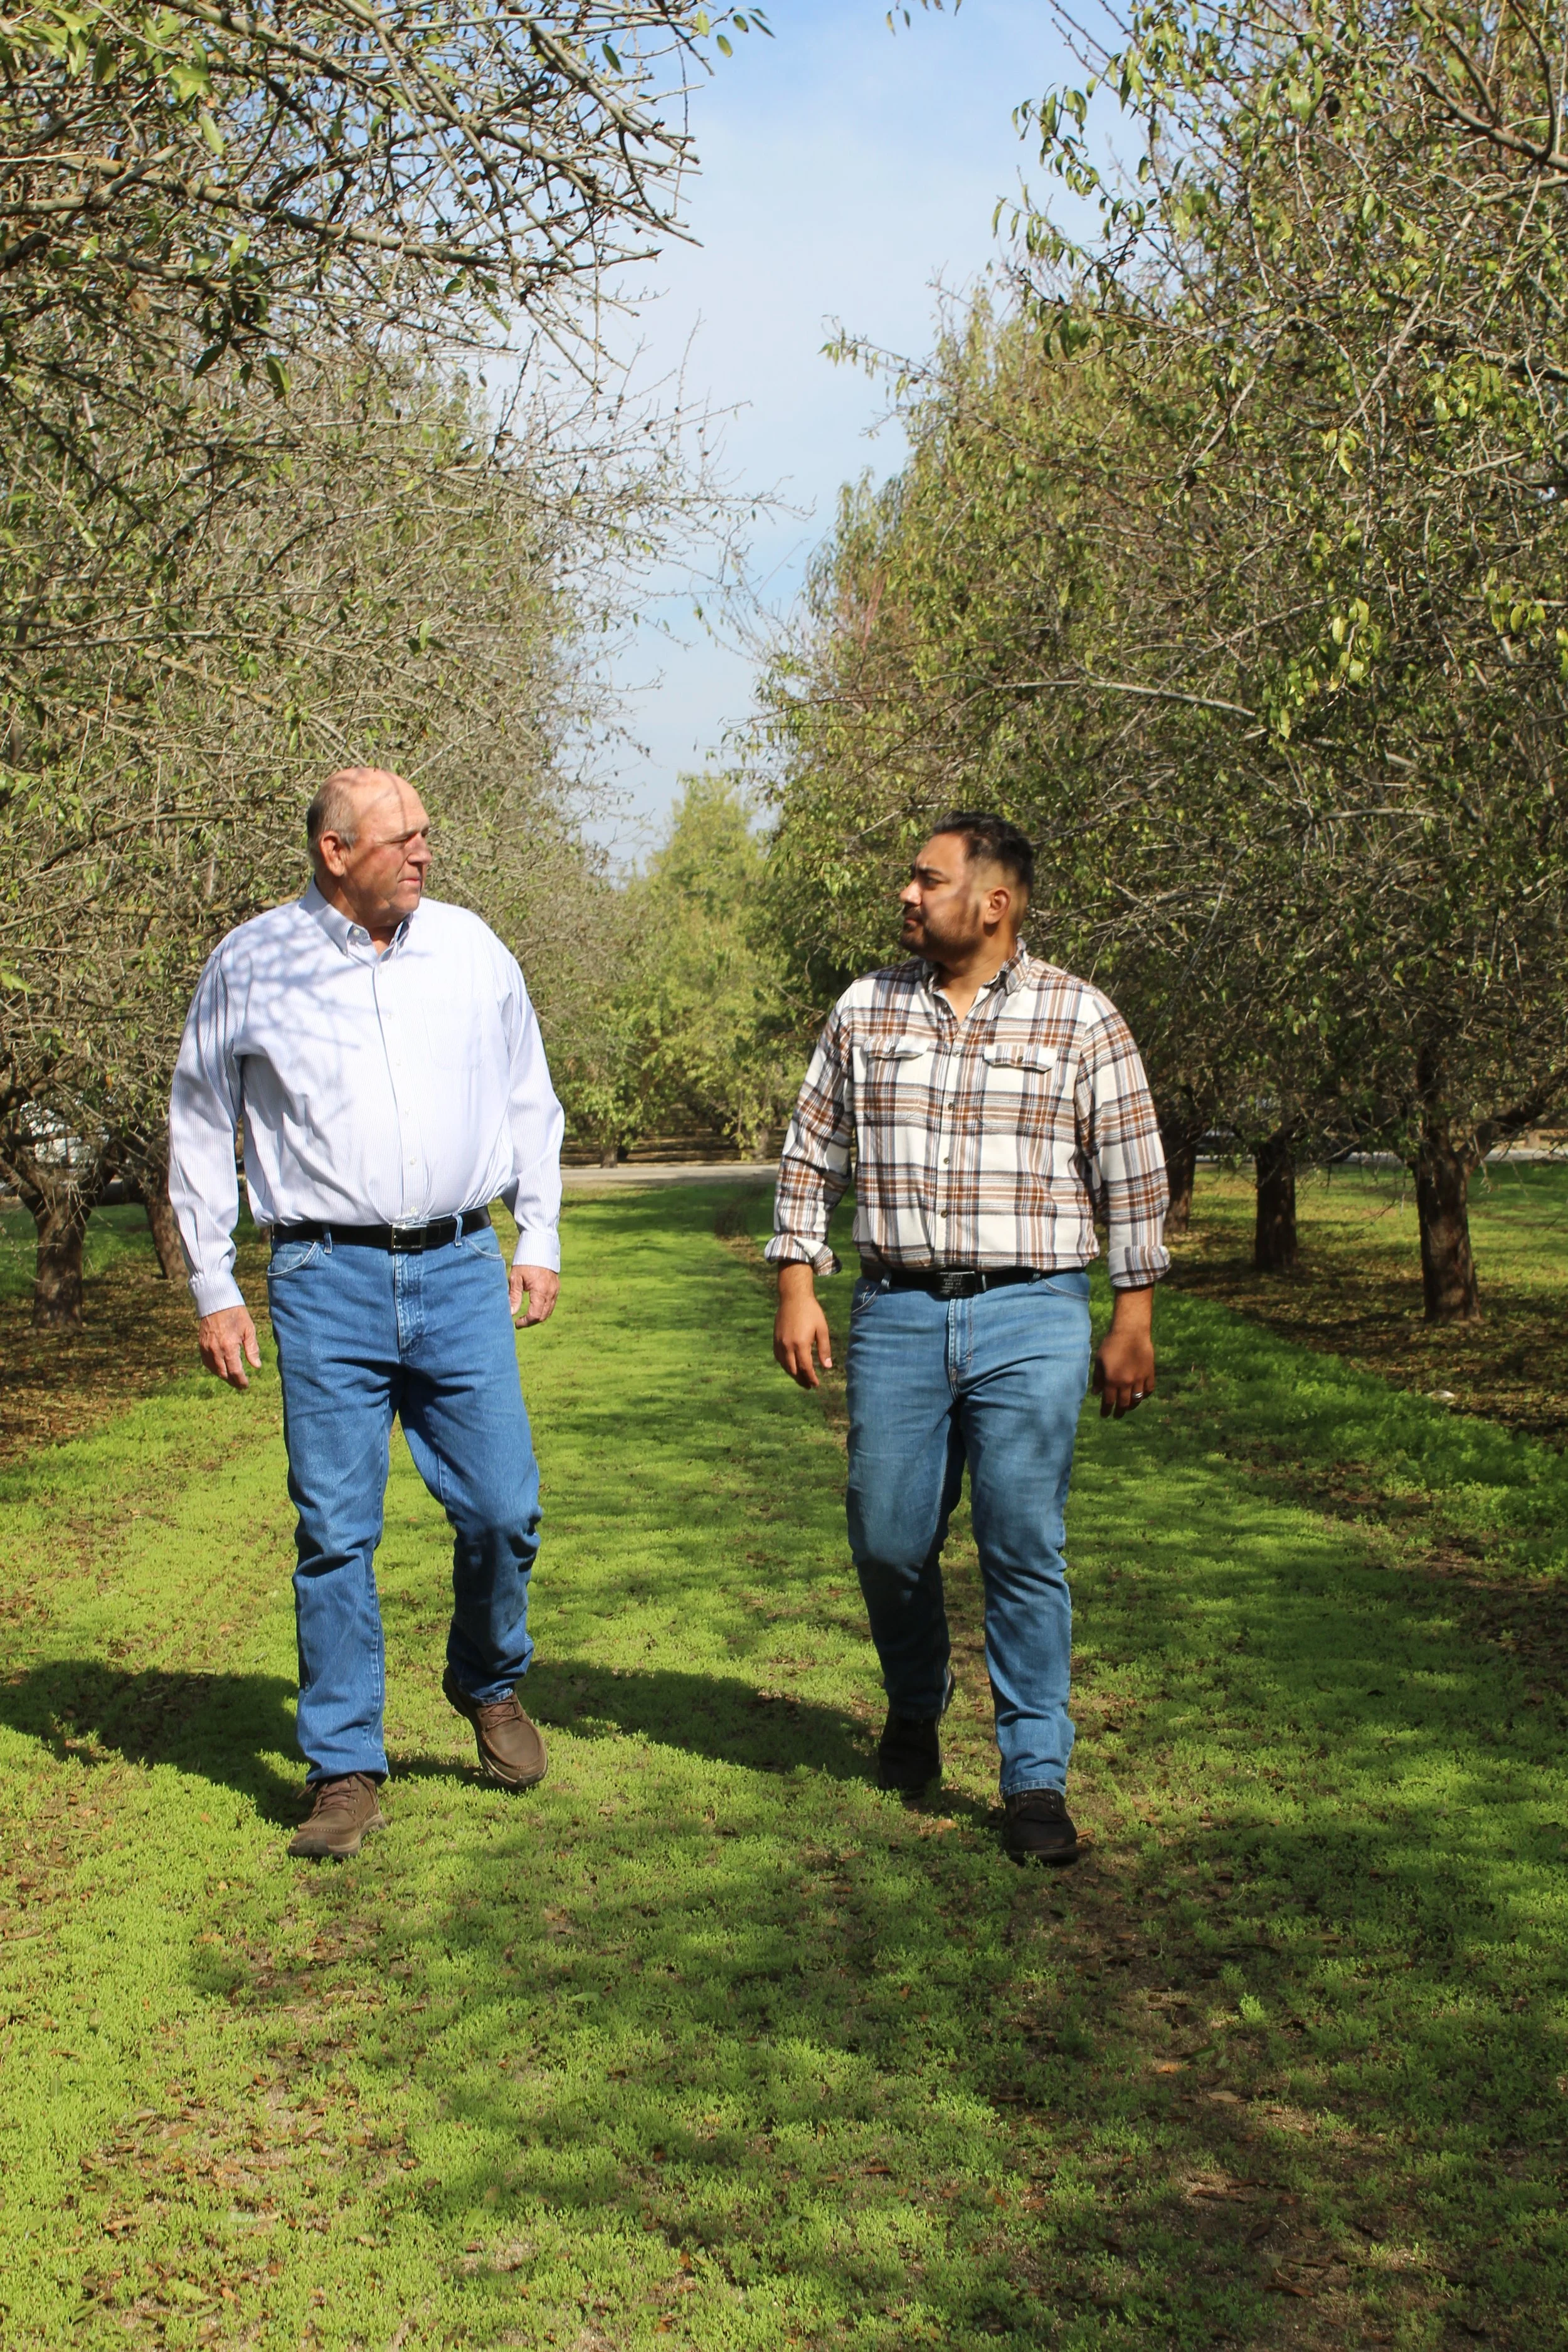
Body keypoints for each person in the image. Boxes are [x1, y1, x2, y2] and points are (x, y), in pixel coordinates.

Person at [168, 766, 563, 1860]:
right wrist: (214, 1282)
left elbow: (530, 1093)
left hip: (459, 1266)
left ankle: (487, 1681)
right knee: (335, 1531)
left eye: (429, 833)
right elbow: (201, 1123)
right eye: (403, 838)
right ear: (335, 851)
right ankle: (343, 1768)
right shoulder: (252, 962)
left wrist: (541, 1231)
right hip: (323, 1277)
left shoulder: (473, 950)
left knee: (502, 1508)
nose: (425, 854)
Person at [768, 813, 1168, 1864]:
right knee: (887, 1537)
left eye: (927, 878)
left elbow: (1132, 1171)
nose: (906, 893)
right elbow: (811, 1155)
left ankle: (1034, 1774)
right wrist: (795, 1283)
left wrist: (1134, 1315)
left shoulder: (1081, 1017)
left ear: (993, 902)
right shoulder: (865, 1009)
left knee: (1020, 1538)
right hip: (897, 1308)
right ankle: (917, 1698)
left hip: (1033, 1309)